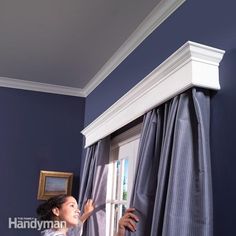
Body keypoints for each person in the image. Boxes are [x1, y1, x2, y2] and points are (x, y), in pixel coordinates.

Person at [37, 194, 138, 236]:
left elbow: (76, 228)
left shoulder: (58, 231)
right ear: (56, 211)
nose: (78, 210)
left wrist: (86, 214)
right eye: (72, 206)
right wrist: (120, 230)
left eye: (77, 207)